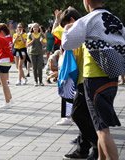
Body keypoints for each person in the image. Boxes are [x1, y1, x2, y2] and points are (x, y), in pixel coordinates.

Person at [62, 0, 124, 159]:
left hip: (94, 78)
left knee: (102, 129)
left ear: (87, 1)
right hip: (112, 75)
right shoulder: (115, 19)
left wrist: (67, 30)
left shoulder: (88, 20)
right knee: (100, 125)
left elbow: (68, 44)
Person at [59, 7, 98, 159]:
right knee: (86, 115)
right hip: (83, 79)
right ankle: (83, 149)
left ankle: (97, 145)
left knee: (77, 114)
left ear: (71, 21)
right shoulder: (82, 31)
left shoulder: (82, 32)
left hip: (88, 79)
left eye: (66, 25)